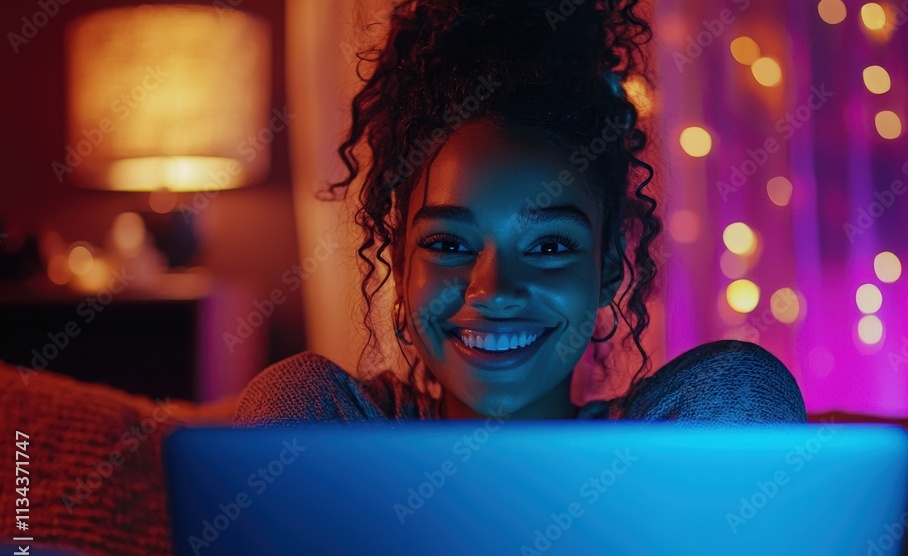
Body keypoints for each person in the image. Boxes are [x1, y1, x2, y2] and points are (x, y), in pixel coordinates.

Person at [234, 0, 806, 427]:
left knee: (739, 383)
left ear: (608, 267)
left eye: (550, 246)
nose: (495, 290)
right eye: (449, 244)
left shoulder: (700, 422)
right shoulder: (318, 420)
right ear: (402, 266)